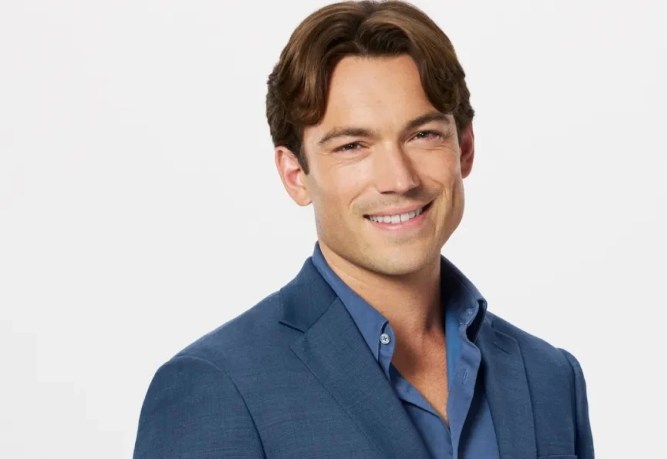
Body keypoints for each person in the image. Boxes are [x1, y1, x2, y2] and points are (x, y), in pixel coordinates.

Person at [133, 1, 594, 458]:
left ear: (465, 147)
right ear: (295, 175)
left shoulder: (549, 377)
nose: (399, 179)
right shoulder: (218, 387)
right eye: (353, 145)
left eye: (424, 135)